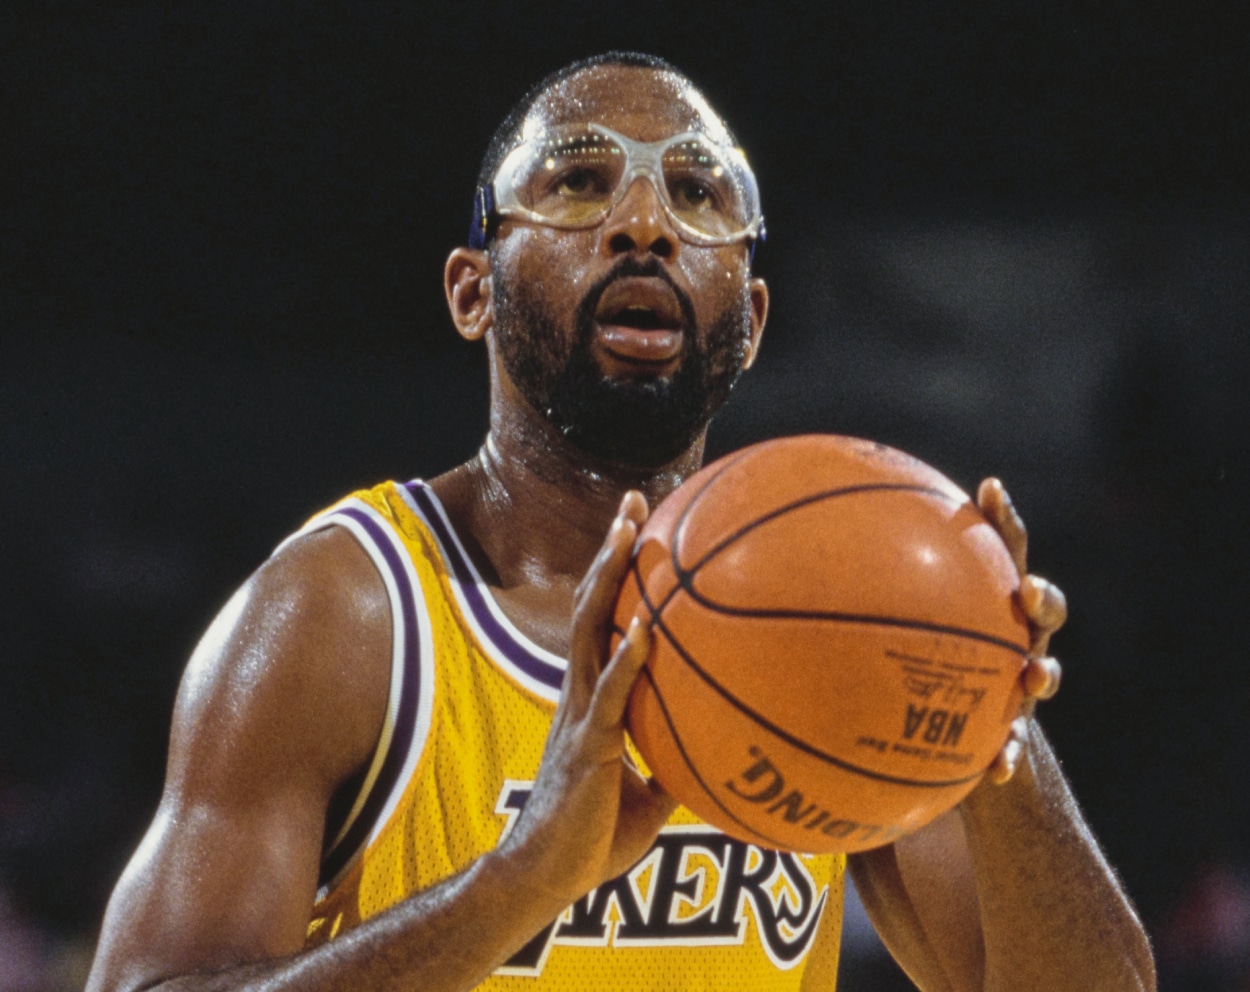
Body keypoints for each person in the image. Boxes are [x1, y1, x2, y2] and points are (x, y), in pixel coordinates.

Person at [85, 52, 1155, 992]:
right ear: (472, 291)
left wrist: (987, 712)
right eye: (578, 182)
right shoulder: (345, 612)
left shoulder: (846, 614)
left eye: (697, 194)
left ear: (751, 322)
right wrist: (521, 879)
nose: (643, 223)